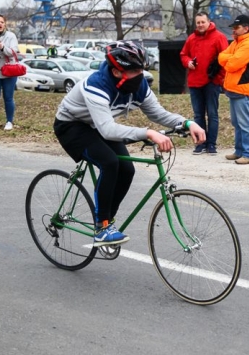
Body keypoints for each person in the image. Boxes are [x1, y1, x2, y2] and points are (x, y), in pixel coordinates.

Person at [53, 41, 206, 247]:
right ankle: (102, 227)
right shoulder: (96, 85)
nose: (140, 74)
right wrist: (148, 133)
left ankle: (108, 221)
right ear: (117, 71)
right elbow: (107, 130)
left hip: (98, 125)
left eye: (141, 68)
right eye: (134, 70)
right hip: (71, 126)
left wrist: (187, 123)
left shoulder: (138, 84)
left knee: (127, 169)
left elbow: (158, 113)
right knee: (109, 162)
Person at [180, 12, 228, 155]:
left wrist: (219, 79)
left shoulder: (219, 37)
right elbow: (183, 54)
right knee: (198, 115)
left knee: (212, 114)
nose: (200, 25)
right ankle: (201, 143)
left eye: (203, 22)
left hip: (212, 82)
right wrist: (188, 62)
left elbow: (225, 59)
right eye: (198, 23)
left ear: (209, 22)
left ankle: (211, 144)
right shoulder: (191, 38)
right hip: (195, 82)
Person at [218, 14, 249, 165]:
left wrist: (229, 60)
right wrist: (229, 59)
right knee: (237, 123)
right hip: (234, 88)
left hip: (243, 88)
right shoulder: (237, 42)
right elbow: (221, 56)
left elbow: (231, 64)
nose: (234, 30)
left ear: (246, 28)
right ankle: (239, 151)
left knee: (245, 123)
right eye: (233, 27)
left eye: (237, 27)